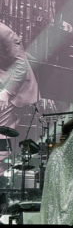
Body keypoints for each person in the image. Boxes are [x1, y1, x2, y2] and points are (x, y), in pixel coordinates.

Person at [0, 21, 40, 175]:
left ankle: (1, 173)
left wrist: (7, 92)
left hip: (15, 91)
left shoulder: (5, 33)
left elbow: (21, 66)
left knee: (1, 133)